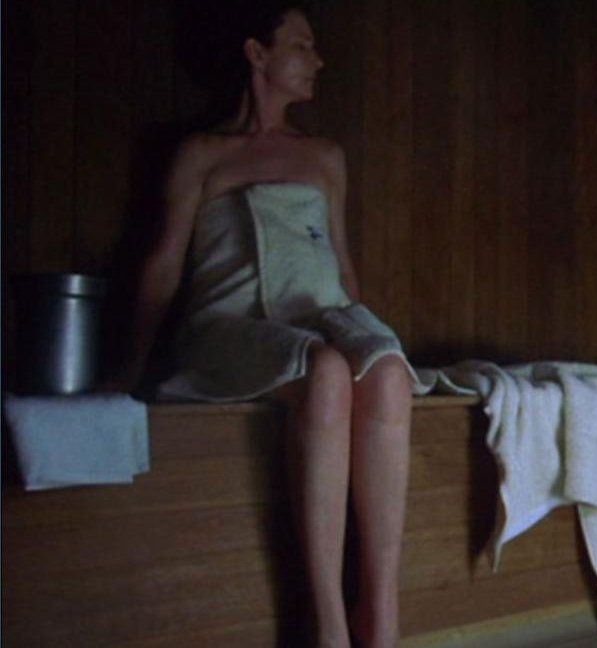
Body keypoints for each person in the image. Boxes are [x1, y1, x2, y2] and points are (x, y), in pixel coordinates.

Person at [108, 3, 418, 647]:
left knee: (388, 373)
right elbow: (163, 267)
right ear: (257, 53)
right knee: (324, 371)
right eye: (302, 46)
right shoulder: (201, 155)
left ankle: (382, 617)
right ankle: (329, 626)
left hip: (321, 317)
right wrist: (131, 369)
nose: (318, 60)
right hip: (230, 326)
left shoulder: (325, 157)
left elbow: (342, 267)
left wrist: (366, 341)